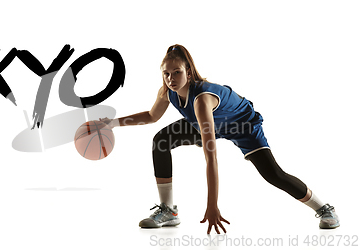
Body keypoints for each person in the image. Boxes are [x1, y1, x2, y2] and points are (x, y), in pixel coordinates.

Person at [100, 44, 339, 234]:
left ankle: (324, 209)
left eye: (177, 73)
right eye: (166, 74)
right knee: (161, 140)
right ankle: (169, 211)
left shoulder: (201, 100)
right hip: (209, 122)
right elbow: (152, 116)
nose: (171, 78)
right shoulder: (167, 91)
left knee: (273, 174)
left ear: (189, 72)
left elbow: (211, 158)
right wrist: (109, 123)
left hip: (241, 124)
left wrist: (212, 205)